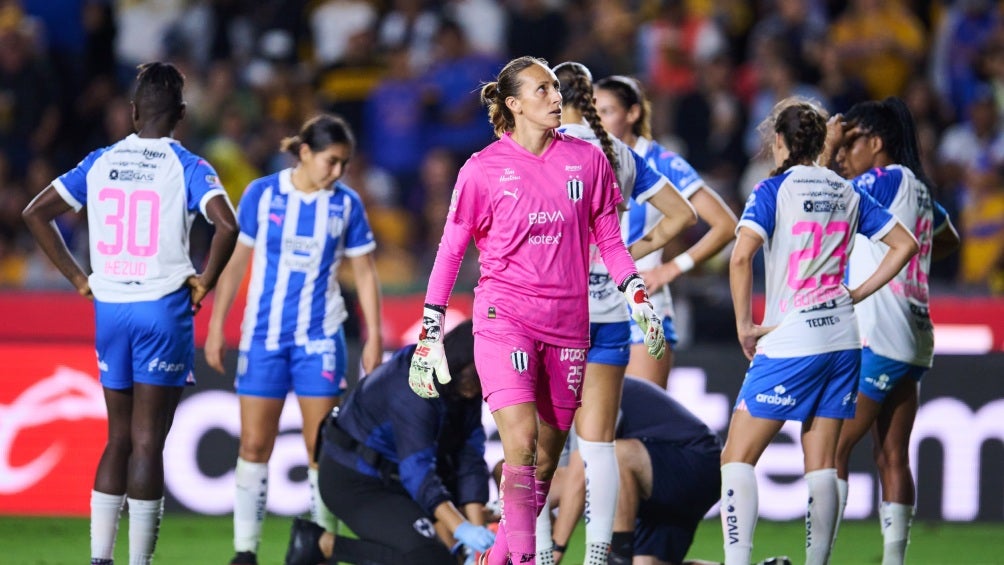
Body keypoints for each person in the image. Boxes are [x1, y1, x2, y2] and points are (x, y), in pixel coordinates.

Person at [407, 55, 665, 565]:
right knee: (520, 447)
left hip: (569, 327)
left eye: (555, 88)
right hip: (505, 321)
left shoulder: (588, 161)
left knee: (542, 466)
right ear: (514, 104)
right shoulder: (482, 170)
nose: (555, 97)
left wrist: (638, 298)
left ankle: (494, 560)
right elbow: (451, 252)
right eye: (543, 90)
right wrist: (430, 330)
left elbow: (610, 241)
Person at [21, 62, 239, 564]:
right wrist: (205, 280)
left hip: (111, 308)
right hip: (161, 309)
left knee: (116, 437)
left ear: (134, 111)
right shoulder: (187, 164)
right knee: (147, 443)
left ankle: (100, 558)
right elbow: (227, 224)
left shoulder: (99, 161)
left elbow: (35, 212)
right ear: (181, 114)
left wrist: (79, 278)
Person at [721, 97, 919, 565]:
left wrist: (745, 326)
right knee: (822, 463)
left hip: (793, 337)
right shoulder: (845, 189)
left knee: (736, 457)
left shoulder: (773, 189)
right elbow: (904, 244)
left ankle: (736, 561)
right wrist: (858, 292)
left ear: (780, 141)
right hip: (844, 339)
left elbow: (740, 256)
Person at [204, 114, 384, 565]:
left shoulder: (346, 205)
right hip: (263, 338)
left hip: (320, 338)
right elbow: (236, 264)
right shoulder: (262, 194)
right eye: (331, 161)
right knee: (252, 445)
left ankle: (318, 547)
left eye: (344, 164)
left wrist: (376, 337)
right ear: (304, 152)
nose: (337, 173)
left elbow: (365, 272)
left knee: (320, 449)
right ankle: (245, 551)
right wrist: (214, 326)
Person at [551, 60, 695, 565]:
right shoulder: (619, 153)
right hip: (610, 313)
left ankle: (538, 555)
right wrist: (636, 250)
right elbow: (685, 214)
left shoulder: (538, 151)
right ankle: (597, 557)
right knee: (599, 444)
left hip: (552, 314)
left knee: (544, 442)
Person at [825, 98, 961, 565]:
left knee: (832, 447)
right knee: (892, 456)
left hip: (877, 332)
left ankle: (818, 556)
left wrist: (821, 152)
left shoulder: (880, 180)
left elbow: (820, 197)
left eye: (849, 142)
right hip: (914, 333)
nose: (842, 154)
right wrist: (912, 258)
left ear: (876, 143)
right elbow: (948, 239)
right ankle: (893, 561)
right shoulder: (918, 188)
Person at [284, 319, 496, 565]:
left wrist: (476, 547)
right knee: (430, 560)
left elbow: (469, 459)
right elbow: (417, 471)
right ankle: (321, 545)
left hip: (398, 479)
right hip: (355, 481)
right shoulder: (415, 388)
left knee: (449, 557)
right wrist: (462, 528)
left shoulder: (463, 388)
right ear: (463, 364)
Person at [594, 74, 739, 388]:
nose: (597, 121)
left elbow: (726, 225)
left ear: (632, 113)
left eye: (606, 111)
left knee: (638, 422)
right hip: (590, 305)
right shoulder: (584, 161)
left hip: (643, 309)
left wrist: (672, 269)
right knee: (590, 432)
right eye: (593, 112)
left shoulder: (661, 162)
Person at [540, 375, 721, 565]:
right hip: (653, 484)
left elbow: (581, 474)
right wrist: (514, 513)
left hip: (695, 463)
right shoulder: (552, 406)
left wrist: (556, 548)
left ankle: (619, 556)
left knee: (609, 455)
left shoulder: (589, 386)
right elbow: (561, 481)